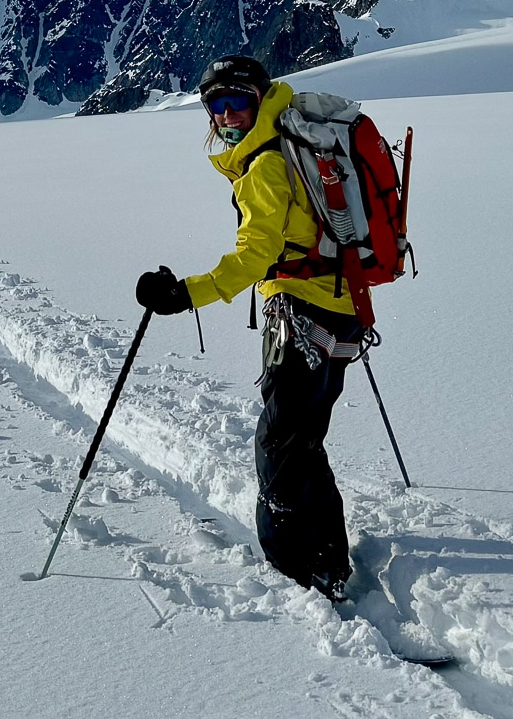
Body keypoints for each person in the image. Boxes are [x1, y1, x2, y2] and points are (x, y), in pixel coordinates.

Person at [135, 54, 366, 603]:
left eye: (238, 101)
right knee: (303, 439)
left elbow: (256, 254)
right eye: (216, 105)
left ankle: (293, 569)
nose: (227, 115)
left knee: (279, 443)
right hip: (340, 309)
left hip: (301, 314)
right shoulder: (291, 143)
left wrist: (186, 293)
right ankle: (329, 558)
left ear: (260, 100)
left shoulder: (265, 164)